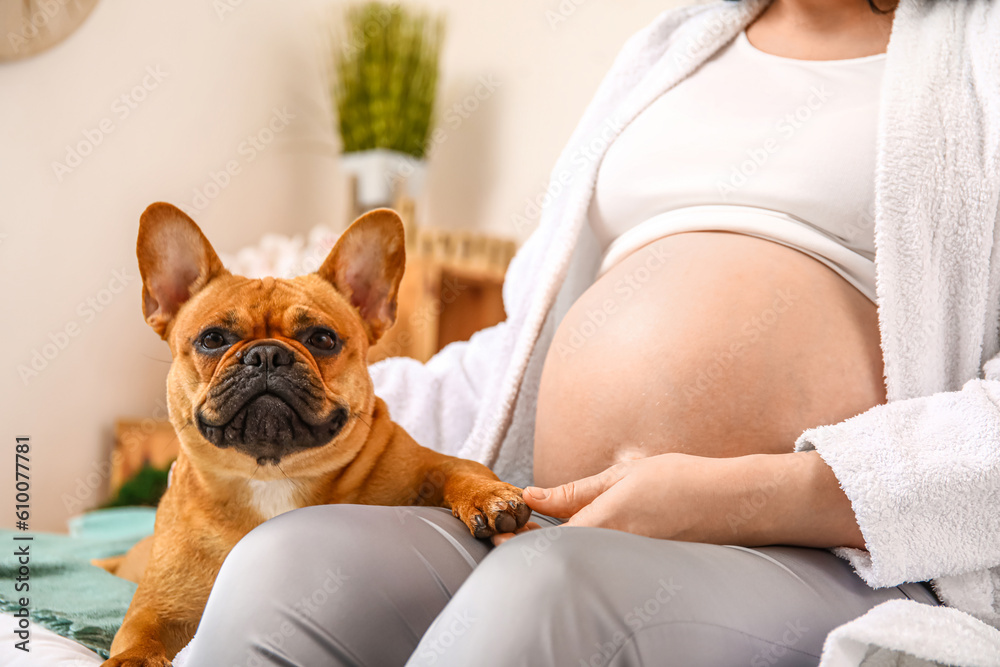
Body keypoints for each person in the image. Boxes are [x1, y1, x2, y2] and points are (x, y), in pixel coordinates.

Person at [182, 0, 1000, 665]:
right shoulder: (674, 48)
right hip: (549, 514)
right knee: (287, 562)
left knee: (550, 589)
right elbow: (522, 351)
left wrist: (735, 496)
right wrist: (307, 391)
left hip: (827, 553)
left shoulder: (979, 51)